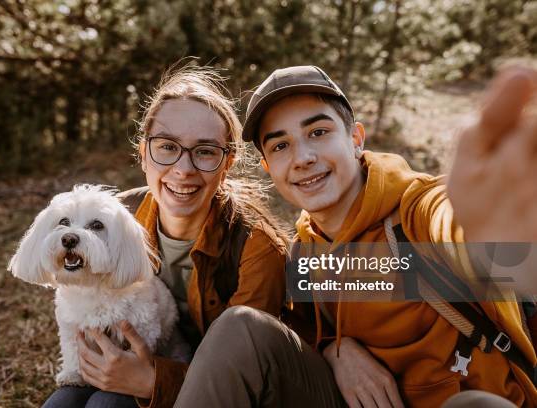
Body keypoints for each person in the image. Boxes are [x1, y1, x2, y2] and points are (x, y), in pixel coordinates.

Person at [173, 66, 537, 407]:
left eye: (318, 132)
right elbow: (307, 333)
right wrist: (336, 350)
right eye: (280, 145)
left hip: (470, 398)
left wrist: (484, 223)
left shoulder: (417, 211)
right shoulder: (305, 251)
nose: (302, 157)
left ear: (355, 138)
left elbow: (459, 229)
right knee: (241, 329)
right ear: (269, 167)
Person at [42, 65, 289, 408]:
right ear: (143, 152)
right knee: (62, 403)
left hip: (213, 390)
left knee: (108, 405)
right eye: (167, 147)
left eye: (205, 151)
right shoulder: (117, 218)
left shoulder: (259, 250)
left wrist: (153, 381)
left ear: (227, 163)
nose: (183, 170)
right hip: (127, 363)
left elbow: (246, 374)